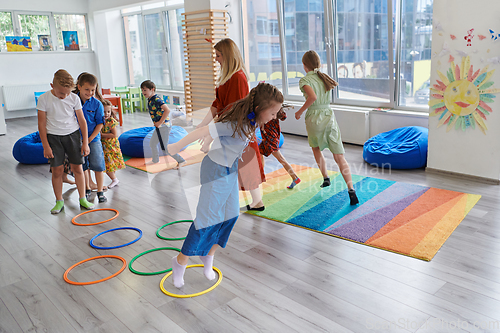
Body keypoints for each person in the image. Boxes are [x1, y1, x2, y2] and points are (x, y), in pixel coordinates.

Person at [168, 83, 283, 288]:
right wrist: (176, 147)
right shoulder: (236, 123)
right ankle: (180, 262)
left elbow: (223, 136)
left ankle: (208, 256)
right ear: (258, 109)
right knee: (206, 219)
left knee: (231, 215)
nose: (274, 117)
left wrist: (210, 141)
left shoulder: (251, 120)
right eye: (272, 113)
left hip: (229, 170)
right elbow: (204, 129)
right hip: (215, 170)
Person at [197, 38, 266, 211]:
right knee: (234, 165)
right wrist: (203, 125)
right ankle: (254, 202)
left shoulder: (238, 78)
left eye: (218, 55)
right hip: (229, 128)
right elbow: (217, 103)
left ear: (227, 56)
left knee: (242, 165)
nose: (216, 59)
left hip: (236, 130)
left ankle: (255, 202)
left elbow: (233, 110)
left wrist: (210, 133)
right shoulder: (227, 77)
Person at [295, 50, 359, 205]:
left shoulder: (305, 80)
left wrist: (299, 111)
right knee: (339, 156)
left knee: (316, 149)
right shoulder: (324, 78)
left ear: (305, 66)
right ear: (319, 64)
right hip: (329, 117)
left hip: (314, 118)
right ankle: (351, 189)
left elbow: (313, 97)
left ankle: (325, 178)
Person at [37, 69, 94, 213]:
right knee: (57, 170)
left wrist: (85, 142)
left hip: (73, 136)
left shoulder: (74, 98)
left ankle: (82, 198)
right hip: (54, 138)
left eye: (67, 93)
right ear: (52, 86)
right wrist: (46, 146)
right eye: (61, 93)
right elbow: (41, 124)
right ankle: (59, 201)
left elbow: (82, 121)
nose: (65, 96)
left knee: (78, 168)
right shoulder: (43, 99)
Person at [74, 72, 107, 203]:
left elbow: (100, 123)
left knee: (98, 165)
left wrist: (89, 139)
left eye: (93, 90)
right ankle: (87, 189)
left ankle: (100, 191)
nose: (90, 93)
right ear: (79, 87)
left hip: (94, 139)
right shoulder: (72, 101)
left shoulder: (97, 104)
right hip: (77, 139)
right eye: (87, 89)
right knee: (83, 166)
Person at [140, 80, 186, 169]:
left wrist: (160, 122)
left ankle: (181, 160)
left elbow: (167, 110)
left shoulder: (157, 100)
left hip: (164, 126)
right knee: (153, 143)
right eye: (142, 90)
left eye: (145, 90)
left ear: (152, 89)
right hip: (159, 126)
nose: (143, 92)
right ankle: (155, 160)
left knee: (164, 148)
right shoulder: (150, 99)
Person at [258, 104, 300, 189]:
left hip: (271, 139)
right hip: (270, 138)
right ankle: (260, 174)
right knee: (259, 153)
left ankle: (295, 177)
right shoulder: (274, 110)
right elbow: (283, 117)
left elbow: (263, 122)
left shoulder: (268, 112)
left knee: (281, 159)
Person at [101, 100, 125, 188]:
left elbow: (114, 134)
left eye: (108, 111)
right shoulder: (101, 120)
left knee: (107, 165)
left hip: (110, 146)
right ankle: (114, 179)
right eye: (104, 112)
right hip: (105, 146)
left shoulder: (111, 121)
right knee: (109, 164)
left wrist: (101, 135)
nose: (106, 113)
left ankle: (114, 179)